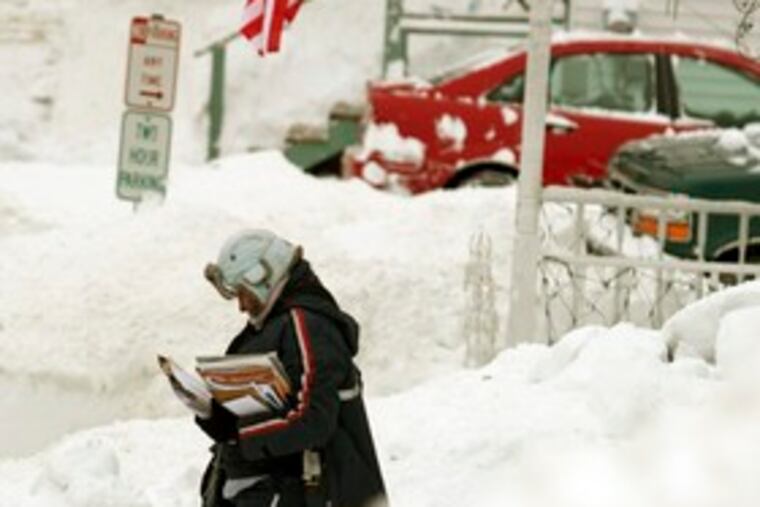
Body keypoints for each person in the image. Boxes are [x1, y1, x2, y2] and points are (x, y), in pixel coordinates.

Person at [197, 229, 387, 507]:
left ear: (263, 275)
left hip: (313, 492)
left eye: (243, 293)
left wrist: (238, 432)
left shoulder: (308, 324)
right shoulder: (277, 323)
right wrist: (218, 412)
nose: (241, 305)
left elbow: (312, 417)